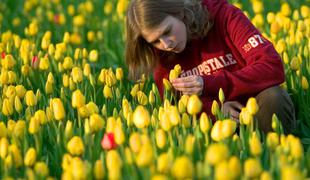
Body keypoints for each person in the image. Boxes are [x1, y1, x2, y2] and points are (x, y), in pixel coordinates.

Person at [125, 0, 296, 134]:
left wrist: (210, 83)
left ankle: (274, 158)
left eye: (167, 31)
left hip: (257, 107)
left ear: (180, 12)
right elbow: (174, 103)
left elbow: (272, 65)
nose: (166, 43)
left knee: (274, 97)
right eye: (155, 40)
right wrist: (215, 110)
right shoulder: (161, 54)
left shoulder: (225, 16)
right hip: (215, 128)